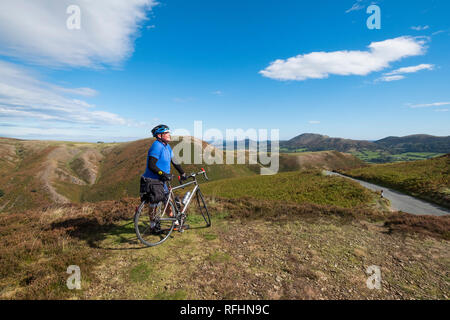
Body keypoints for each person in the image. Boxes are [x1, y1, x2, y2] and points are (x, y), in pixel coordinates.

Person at [143, 124, 187, 226]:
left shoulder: (167, 147)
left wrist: (182, 172)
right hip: (153, 180)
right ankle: (153, 225)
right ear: (159, 136)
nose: (169, 134)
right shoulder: (156, 146)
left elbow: (174, 161)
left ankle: (174, 222)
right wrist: (162, 174)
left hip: (162, 180)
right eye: (166, 133)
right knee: (154, 203)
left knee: (168, 201)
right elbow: (151, 165)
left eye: (169, 132)